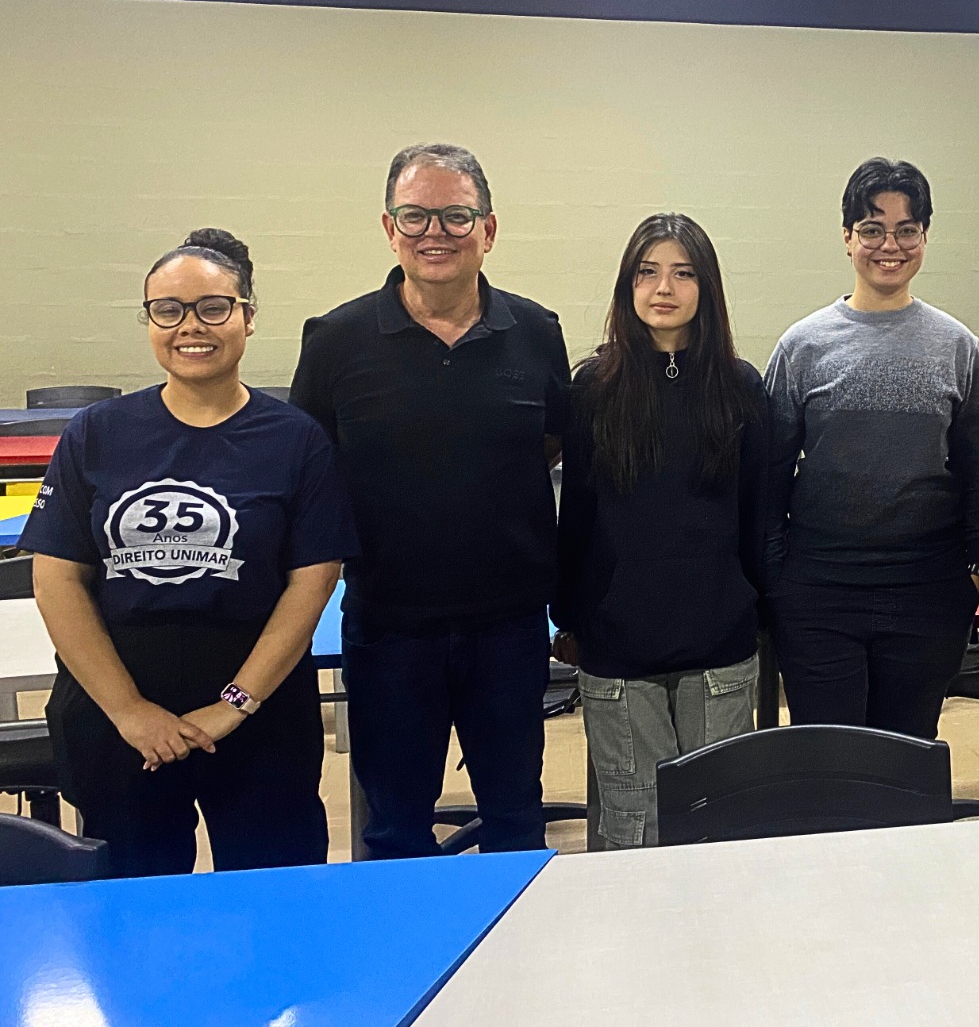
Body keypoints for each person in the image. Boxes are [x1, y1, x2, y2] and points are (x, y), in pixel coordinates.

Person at [23, 229, 355, 878]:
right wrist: (131, 712)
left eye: (213, 307)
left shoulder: (296, 440)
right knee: (134, 905)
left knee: (273, 899)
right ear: (150, 320)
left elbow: (312, 582)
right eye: (168, 309)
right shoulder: (96, 433)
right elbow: (57, 580)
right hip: (118, 714)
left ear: (247, 316)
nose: (190, 326)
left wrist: (234, 705)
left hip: (260, 714)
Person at [291, 143, 569, 859]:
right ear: (390, 229)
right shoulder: (335, 340)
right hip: (389, 628)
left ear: (488, 229)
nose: (434, 233)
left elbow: (550, 444)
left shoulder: (537, 333)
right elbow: (311, 472)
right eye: (415, 216)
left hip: (508, 628)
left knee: (515, 818)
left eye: (455, 216)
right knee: (393, 830)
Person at [764, 157, 979, 740]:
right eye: (872, 229)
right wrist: (777, 579)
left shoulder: (957, 347)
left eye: (906, 230)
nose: (889, 246)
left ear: (925, 237)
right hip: (819, 592)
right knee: (831, 758)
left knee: (906, 755)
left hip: (928, 592)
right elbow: (767, 474)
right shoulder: (803, 346)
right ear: (848, 238)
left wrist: (976, 569)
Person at [552, 213, 768, 848]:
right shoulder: (594, 388)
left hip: (719, 646)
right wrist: (570, 616)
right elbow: (578, 514)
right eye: (647, 272)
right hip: (618, 649)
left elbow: (757, 515)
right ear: (628, 285)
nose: (663, 288)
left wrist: (755, 609)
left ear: (707, 287)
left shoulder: (741, 387)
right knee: (635, 829)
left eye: (683, 273)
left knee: (717, 828)